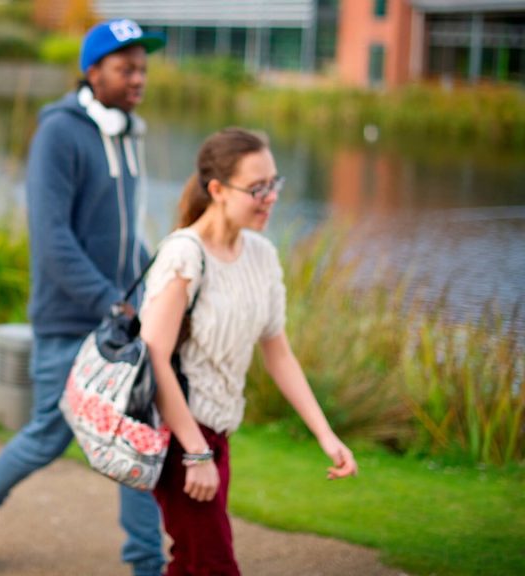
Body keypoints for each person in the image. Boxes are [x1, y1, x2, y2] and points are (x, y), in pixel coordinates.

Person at [0, 20, 167, 576]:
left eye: (143, 67)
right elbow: (53, 240)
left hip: (115, 320)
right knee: (48, 433)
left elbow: (122, 230)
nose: (138, 78)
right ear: (93, 72)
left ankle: (147, 564)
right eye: (126, 68)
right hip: (70, 319)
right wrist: (112, 301)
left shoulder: (125, 132)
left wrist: (154, 277)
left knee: (133, 432)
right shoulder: (59, 134)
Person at [139, 128, 359, 575]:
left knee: (191, 561)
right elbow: (154, 357)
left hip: (219, 435)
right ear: (217, 190)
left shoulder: (261, 254)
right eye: (257, 188)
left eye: (274, 184)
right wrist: (197, 453)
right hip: (181, 439)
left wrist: (325, 434)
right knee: (215, 564)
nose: (270, 197)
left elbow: (278, 352)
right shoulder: (184, 256)